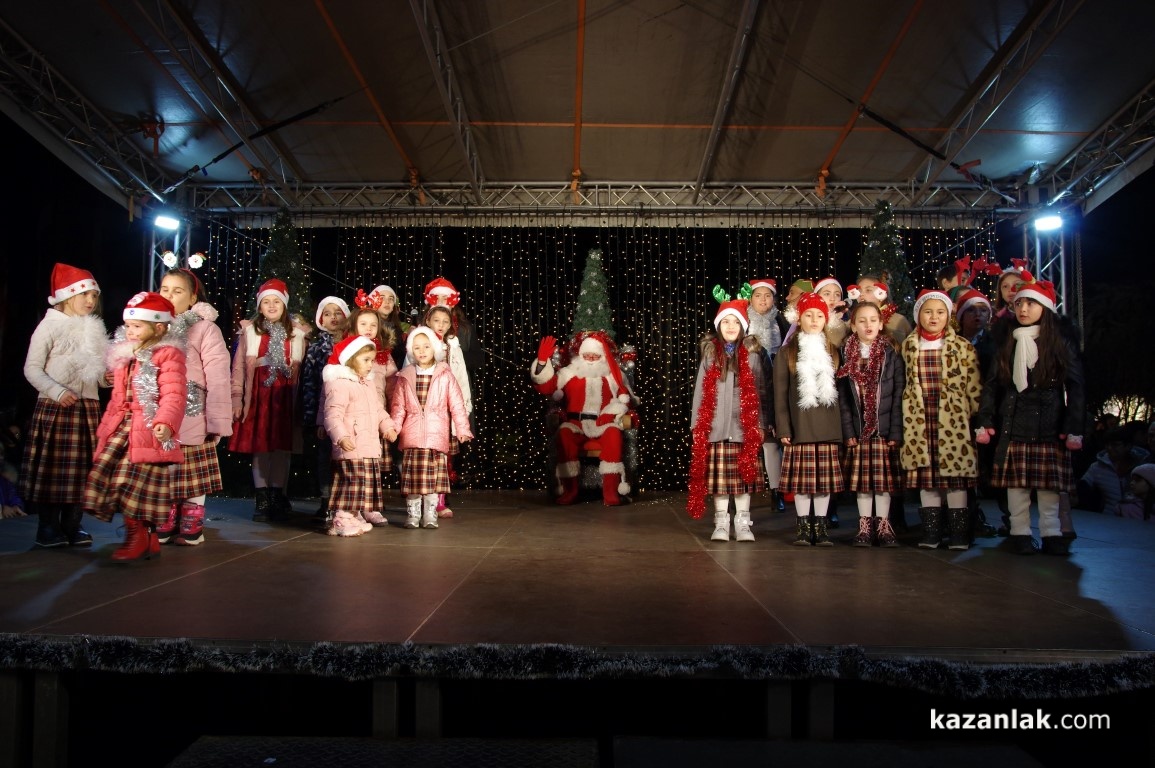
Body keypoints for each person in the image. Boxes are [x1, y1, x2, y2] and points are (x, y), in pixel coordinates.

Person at [977, 275, 1085, 555]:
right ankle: (1020, 533)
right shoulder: (1008, 341)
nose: (1023, 309)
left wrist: (1073, 425)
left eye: (1031, 303)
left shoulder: (1059, 342)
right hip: (1015, 421)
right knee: (1017, 487)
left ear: (1045, 307)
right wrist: (985, 419)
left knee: (1049, 488)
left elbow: (1075, 385)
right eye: (1019, 304)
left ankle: (1051, 533)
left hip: (1050, 424)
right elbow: (992, 385)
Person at [83, 292, 186, 562]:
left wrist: (165, 422)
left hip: (148, 430)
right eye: (128, 326)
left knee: (132, 486)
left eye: (137, 326)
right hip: (123, 429)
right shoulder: (126, 355)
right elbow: (118, 398)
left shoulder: (167, 355)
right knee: (117, 482)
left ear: (159, 327)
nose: (130, 331)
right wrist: (105, 428)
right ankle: (147, 537)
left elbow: (174, 394)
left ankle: (137, 536)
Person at [21, 263, 107, 548]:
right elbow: (32, 369)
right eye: (84, 295)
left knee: (82, 470)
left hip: (87, 408)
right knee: (53, 472)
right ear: (67, 296)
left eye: (94, 296)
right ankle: (48, 527)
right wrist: (57, 391)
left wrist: (105, 379)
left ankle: (72, 524)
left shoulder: (94, 328)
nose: (90, 301)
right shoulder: (49, 326)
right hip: (57, 407)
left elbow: (96, 370)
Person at [156, 268, 233, 546]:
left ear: (192, 298)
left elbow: (218, 376)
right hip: (161, 413)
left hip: (193, 412)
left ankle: (192, 519)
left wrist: (217, 421)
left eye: (177, 291)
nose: (169, 296)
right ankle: (166, 514)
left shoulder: (205, 329)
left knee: (193, 471)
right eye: (165, 289)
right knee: (164, 468)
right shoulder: (153, 327)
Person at [900, 289, 981, 550]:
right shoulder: (909, 346)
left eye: (939, 312)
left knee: (955, 478)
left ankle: (959, 534)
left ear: (948, 316)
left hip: (954, 422)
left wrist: (972, 417)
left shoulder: (962, 346)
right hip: (920, 421)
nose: (933, 317)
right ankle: (931, 533)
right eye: (927, 311)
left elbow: (974, 387)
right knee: (928, 480)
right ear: (918, 315)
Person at [688, 295, 772, 541]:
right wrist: (697, 426)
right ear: (718, 326)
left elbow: (762, 392)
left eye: (736, 322)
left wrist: (761, 424)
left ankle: (743, 523)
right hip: (715, 428)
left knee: (743, 480)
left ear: (744, 326)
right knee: (721, 483)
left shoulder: (753, 355)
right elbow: (700, 392)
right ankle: (721, 523)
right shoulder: (710, 356)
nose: (731, 326)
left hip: (744, 428)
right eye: (726, 322)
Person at [230, 279, 308, 522]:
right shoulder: (250, 332)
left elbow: (303, 371)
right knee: (261, 448)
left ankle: (277, 495)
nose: (272, 306)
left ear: (284, 305)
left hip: (285, 397)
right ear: (260, 306)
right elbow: (239, 368)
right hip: (259, 397)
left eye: (277, 301)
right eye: (266, 302)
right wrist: (237, 398)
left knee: (282, 449)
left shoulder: (297, 334)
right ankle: (262, 497)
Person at [530, 331, 635, 506]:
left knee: (614, 434)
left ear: (602, 356)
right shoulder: (568, 373)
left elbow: (625, 398)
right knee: (564, 434)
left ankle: (610, 493)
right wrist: (541, 363)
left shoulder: (613, 375)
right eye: (587, 355)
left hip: (602, 422)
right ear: (580, 355)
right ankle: (569, 491)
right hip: (575, 423)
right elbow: (547, 388)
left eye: (595, 355)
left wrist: (612, 411)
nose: (591, 358)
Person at [775, 292, 845, 546]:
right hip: (800, 427)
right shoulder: (787, 353)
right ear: (799, 318)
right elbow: (780, 395)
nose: (814, 320)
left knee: (823, 483)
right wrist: (784, 427)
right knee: (803, 483)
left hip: (828, 427)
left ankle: (821, 527)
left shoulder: (834, 352)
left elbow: (842, 394)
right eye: (808, 315)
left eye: (819, 316)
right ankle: (804, 527)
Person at [837, 302, 905, 547]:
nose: (868, 325)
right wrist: (848, 430)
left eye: (873, 320)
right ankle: (865, 526)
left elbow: (898, 394)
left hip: (882, 429)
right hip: (859, 429)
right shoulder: (846, 353)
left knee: (883, 483)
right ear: (853, 325)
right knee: (864, 484)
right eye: (862, 320)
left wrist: (895, 431)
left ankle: (884, 525)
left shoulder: (890, 353)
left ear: (881, 323)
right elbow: (843, 399)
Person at [390, 326, 473, 529]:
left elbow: (457, 404)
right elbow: (398, 406)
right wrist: (394, 428)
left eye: (426, 346)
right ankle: (413, 514)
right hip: (412, 435)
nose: (422, 351)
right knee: (413, 481)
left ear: (434, 348)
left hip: (436, 435)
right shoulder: (405, 376)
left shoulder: (444, 374)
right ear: (411, 350)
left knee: (433, 481)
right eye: (417, 347)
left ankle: (430, 514)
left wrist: (462, 429)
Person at [322, 335, 399, 536]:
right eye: (365, 360)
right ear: (350, 359)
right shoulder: (340, 384)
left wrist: (387, 426)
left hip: (368, 445)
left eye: (372, 360)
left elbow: (377, 409)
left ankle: (354, 515)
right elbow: (332, 414)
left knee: (362, 485)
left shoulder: (367, 384)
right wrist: (341, 437)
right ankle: (341, 518)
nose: (370, 365)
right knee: (351, 484)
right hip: (352, 444)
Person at [300, 295, 350, 523]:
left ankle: (347, 501)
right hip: (326, 409)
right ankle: (326, 500)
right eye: (327, 314)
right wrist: (313, 417)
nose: (333, 317)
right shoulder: (316, 347)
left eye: (337, 313)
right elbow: (310, 383)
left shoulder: (353, 343)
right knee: (324, 456)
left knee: (346, 456)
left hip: (350, 411)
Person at [424, 304, 472, 517]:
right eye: (436, 321)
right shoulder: (420, 342)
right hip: (426, 407)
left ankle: (440, 501)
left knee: (443, 457)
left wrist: (463, 407)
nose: (441, 325)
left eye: (445, 321)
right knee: (425, 456)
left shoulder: (453, 345)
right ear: (428, 321)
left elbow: (461, 377)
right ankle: (423, 499)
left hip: (446, 408)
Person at [745, 278, 783, 511]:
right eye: (758, 295)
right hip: (748, 388)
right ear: (751, 299)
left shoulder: (781, 322)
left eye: (767, 295)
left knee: (770, 443)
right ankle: (741, 492)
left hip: (773, 387)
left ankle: (776, 491)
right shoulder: (743, 321)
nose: (763, 300)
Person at [854, 274, 913, 345]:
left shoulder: (898, 320)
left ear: (881, 294)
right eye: (859, 291)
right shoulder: (853, 321)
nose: (861, 294)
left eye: (868, 290)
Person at [368, 284, 410, 370]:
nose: (387, 302)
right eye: (382, 298)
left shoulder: (398, 330)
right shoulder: (365, 327)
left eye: (391, 299)